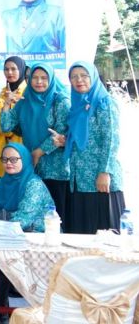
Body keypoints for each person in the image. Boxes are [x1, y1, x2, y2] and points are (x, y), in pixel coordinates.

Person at [0, 63, 70, 220]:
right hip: (33, 168)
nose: (39, 82)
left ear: (51, 79)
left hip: (56, 170)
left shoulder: (60, 101)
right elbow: (5, 127)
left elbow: (61, 132)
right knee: (35, 214)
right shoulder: (25, 101)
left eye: (44, 78)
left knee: (55, 216)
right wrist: (6, 104)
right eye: (35, 78)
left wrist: (38, 152)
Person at [63, 62, 125, 234]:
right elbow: (80, 136)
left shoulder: (104, 102)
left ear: (93, 77)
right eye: (74, 77)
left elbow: (112, 139)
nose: (79, 80)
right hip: (79, 180)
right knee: (82, 234)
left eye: (84, 75)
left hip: (100, 181)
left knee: (103, 236)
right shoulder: (77, 105)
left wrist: (105, 172)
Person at [0, 143, 54, 232]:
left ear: (25, 159)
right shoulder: (2, 183)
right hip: (10, 233)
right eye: (4, 159)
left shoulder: (34, 185)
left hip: (39, 237)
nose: (8, 163)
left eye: (13, 159)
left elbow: (23, 219)